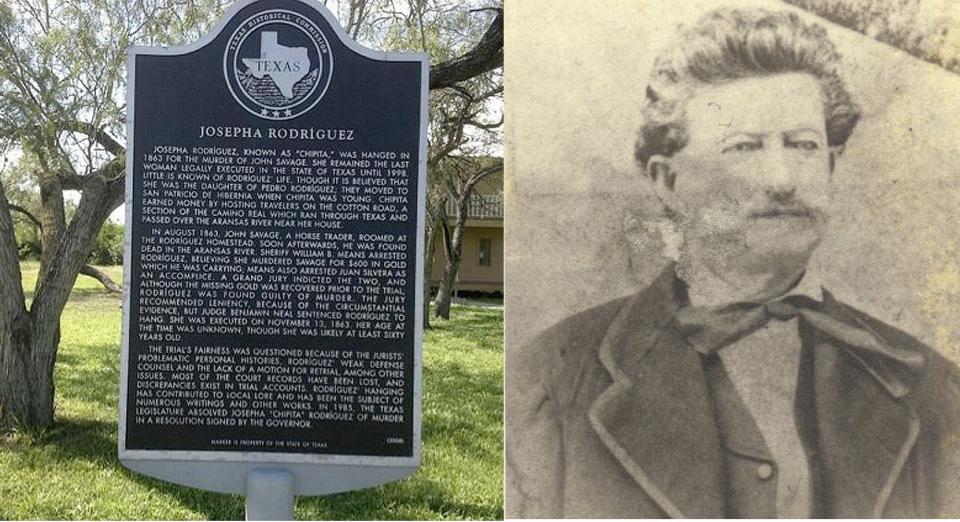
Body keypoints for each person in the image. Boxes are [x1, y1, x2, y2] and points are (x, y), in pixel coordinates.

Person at [506, 7, 960, 518]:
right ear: (666, 180)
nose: (782, 177)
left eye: (803, 145)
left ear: (831, 166)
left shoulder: (932, 387)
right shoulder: (548, 380)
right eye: (743, 146)